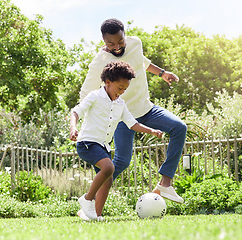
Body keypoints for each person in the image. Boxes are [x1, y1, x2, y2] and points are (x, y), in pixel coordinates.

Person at [79, 18, 187, 218]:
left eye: (120, 41)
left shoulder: (135, 43)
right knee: (120, 162)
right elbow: (85, 93)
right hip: (122, 118)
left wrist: (162, 73)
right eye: (111, 44)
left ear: (125, 35)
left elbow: (142, 62)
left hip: (146, 109)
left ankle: (165, 183)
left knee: (179, 127)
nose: (117, 47)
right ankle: (91, 207)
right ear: (103, 41)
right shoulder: (99, 62)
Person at [70, 61, 163, 221]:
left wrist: (151, 130)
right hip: (87, 143)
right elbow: (76, 112)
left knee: (108, 178)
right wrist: (73, 128)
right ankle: (87, 199)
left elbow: (132, 123)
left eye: (125, 89)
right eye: (120, 88)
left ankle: (94, 215)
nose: (121, 92)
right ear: (108, 82)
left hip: (103, 146)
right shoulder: (95, 96)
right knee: (108, 167)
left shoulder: (120, 103)